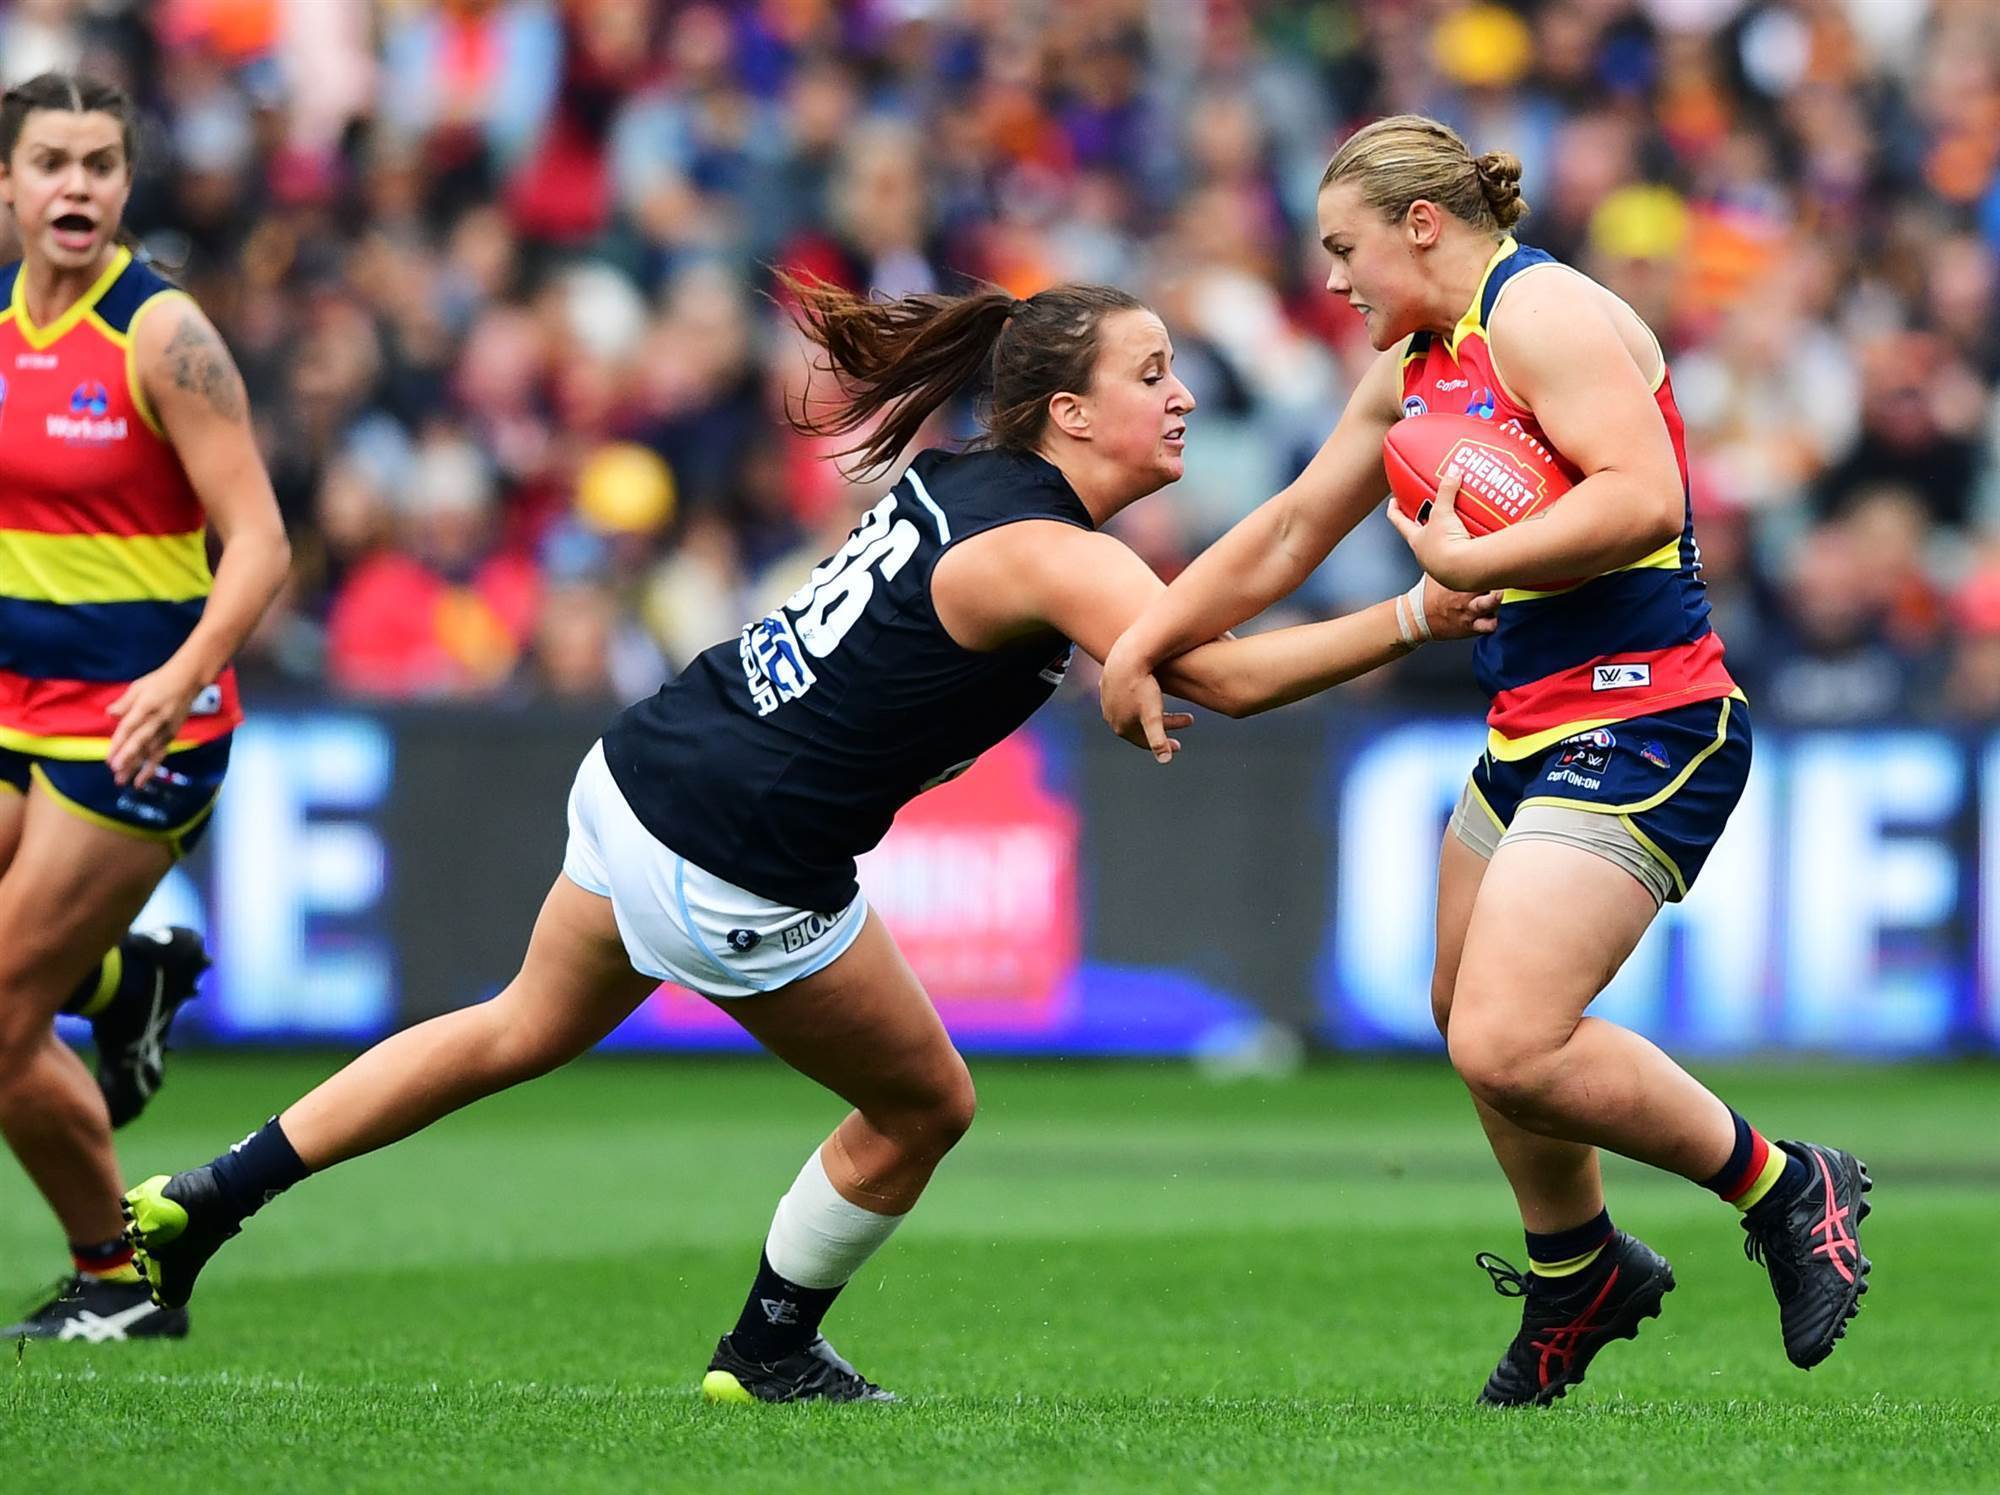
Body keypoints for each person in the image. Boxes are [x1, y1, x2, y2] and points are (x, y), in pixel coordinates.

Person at [123, 273, 1496, 1401]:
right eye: (1152, 372)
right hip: (733, 848)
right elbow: (1230, 672)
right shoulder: (1054, 551)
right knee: (925, 1104)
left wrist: (1163, 642)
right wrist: (1416, 618)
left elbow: (1176, 629)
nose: (1183, 392)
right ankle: (770, 1344)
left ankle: (206, 1197)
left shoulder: (972, 479)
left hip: (648, 762)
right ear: (1070, 410)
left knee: (514, 1024)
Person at [1100, 115, 1871, 1405]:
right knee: (1467, 1020)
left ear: (1421, 225)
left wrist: (1465, 563)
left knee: (1512, 1042)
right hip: (1530, 730)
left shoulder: (1543, 311)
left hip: (1647, 718)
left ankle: (1789, 1185)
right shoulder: (1413, 357)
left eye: (1344, 248)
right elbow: (1292, 523)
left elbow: (1644, 500)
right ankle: (1579, 1272)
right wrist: (1146, 635)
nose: (1332, 280)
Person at [0, 73, 290, 1341]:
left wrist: (179, 677)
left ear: (125, 185)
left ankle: (117, 1282)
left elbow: (263, 542)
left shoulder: (159, 333)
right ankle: (125, 987)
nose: (77, 186)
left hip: (136, 728)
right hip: (17, 707)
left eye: (101, 165)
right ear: (5, 184)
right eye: (52, 162)